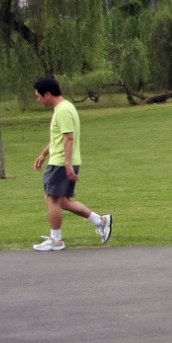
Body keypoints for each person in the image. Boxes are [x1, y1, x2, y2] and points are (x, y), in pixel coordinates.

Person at [30, 76, 112, 251]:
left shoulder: (64, 111)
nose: (37, 100)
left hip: (60, 162)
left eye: (38, 96)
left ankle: (56, 240)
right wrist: (43, 154)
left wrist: (67, 165)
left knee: (51, 199)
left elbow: (68, 139)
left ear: (47, 94)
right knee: (63, 201)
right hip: (59, 160)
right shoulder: (62, 109)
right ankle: (101, 221)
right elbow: (58, 138)